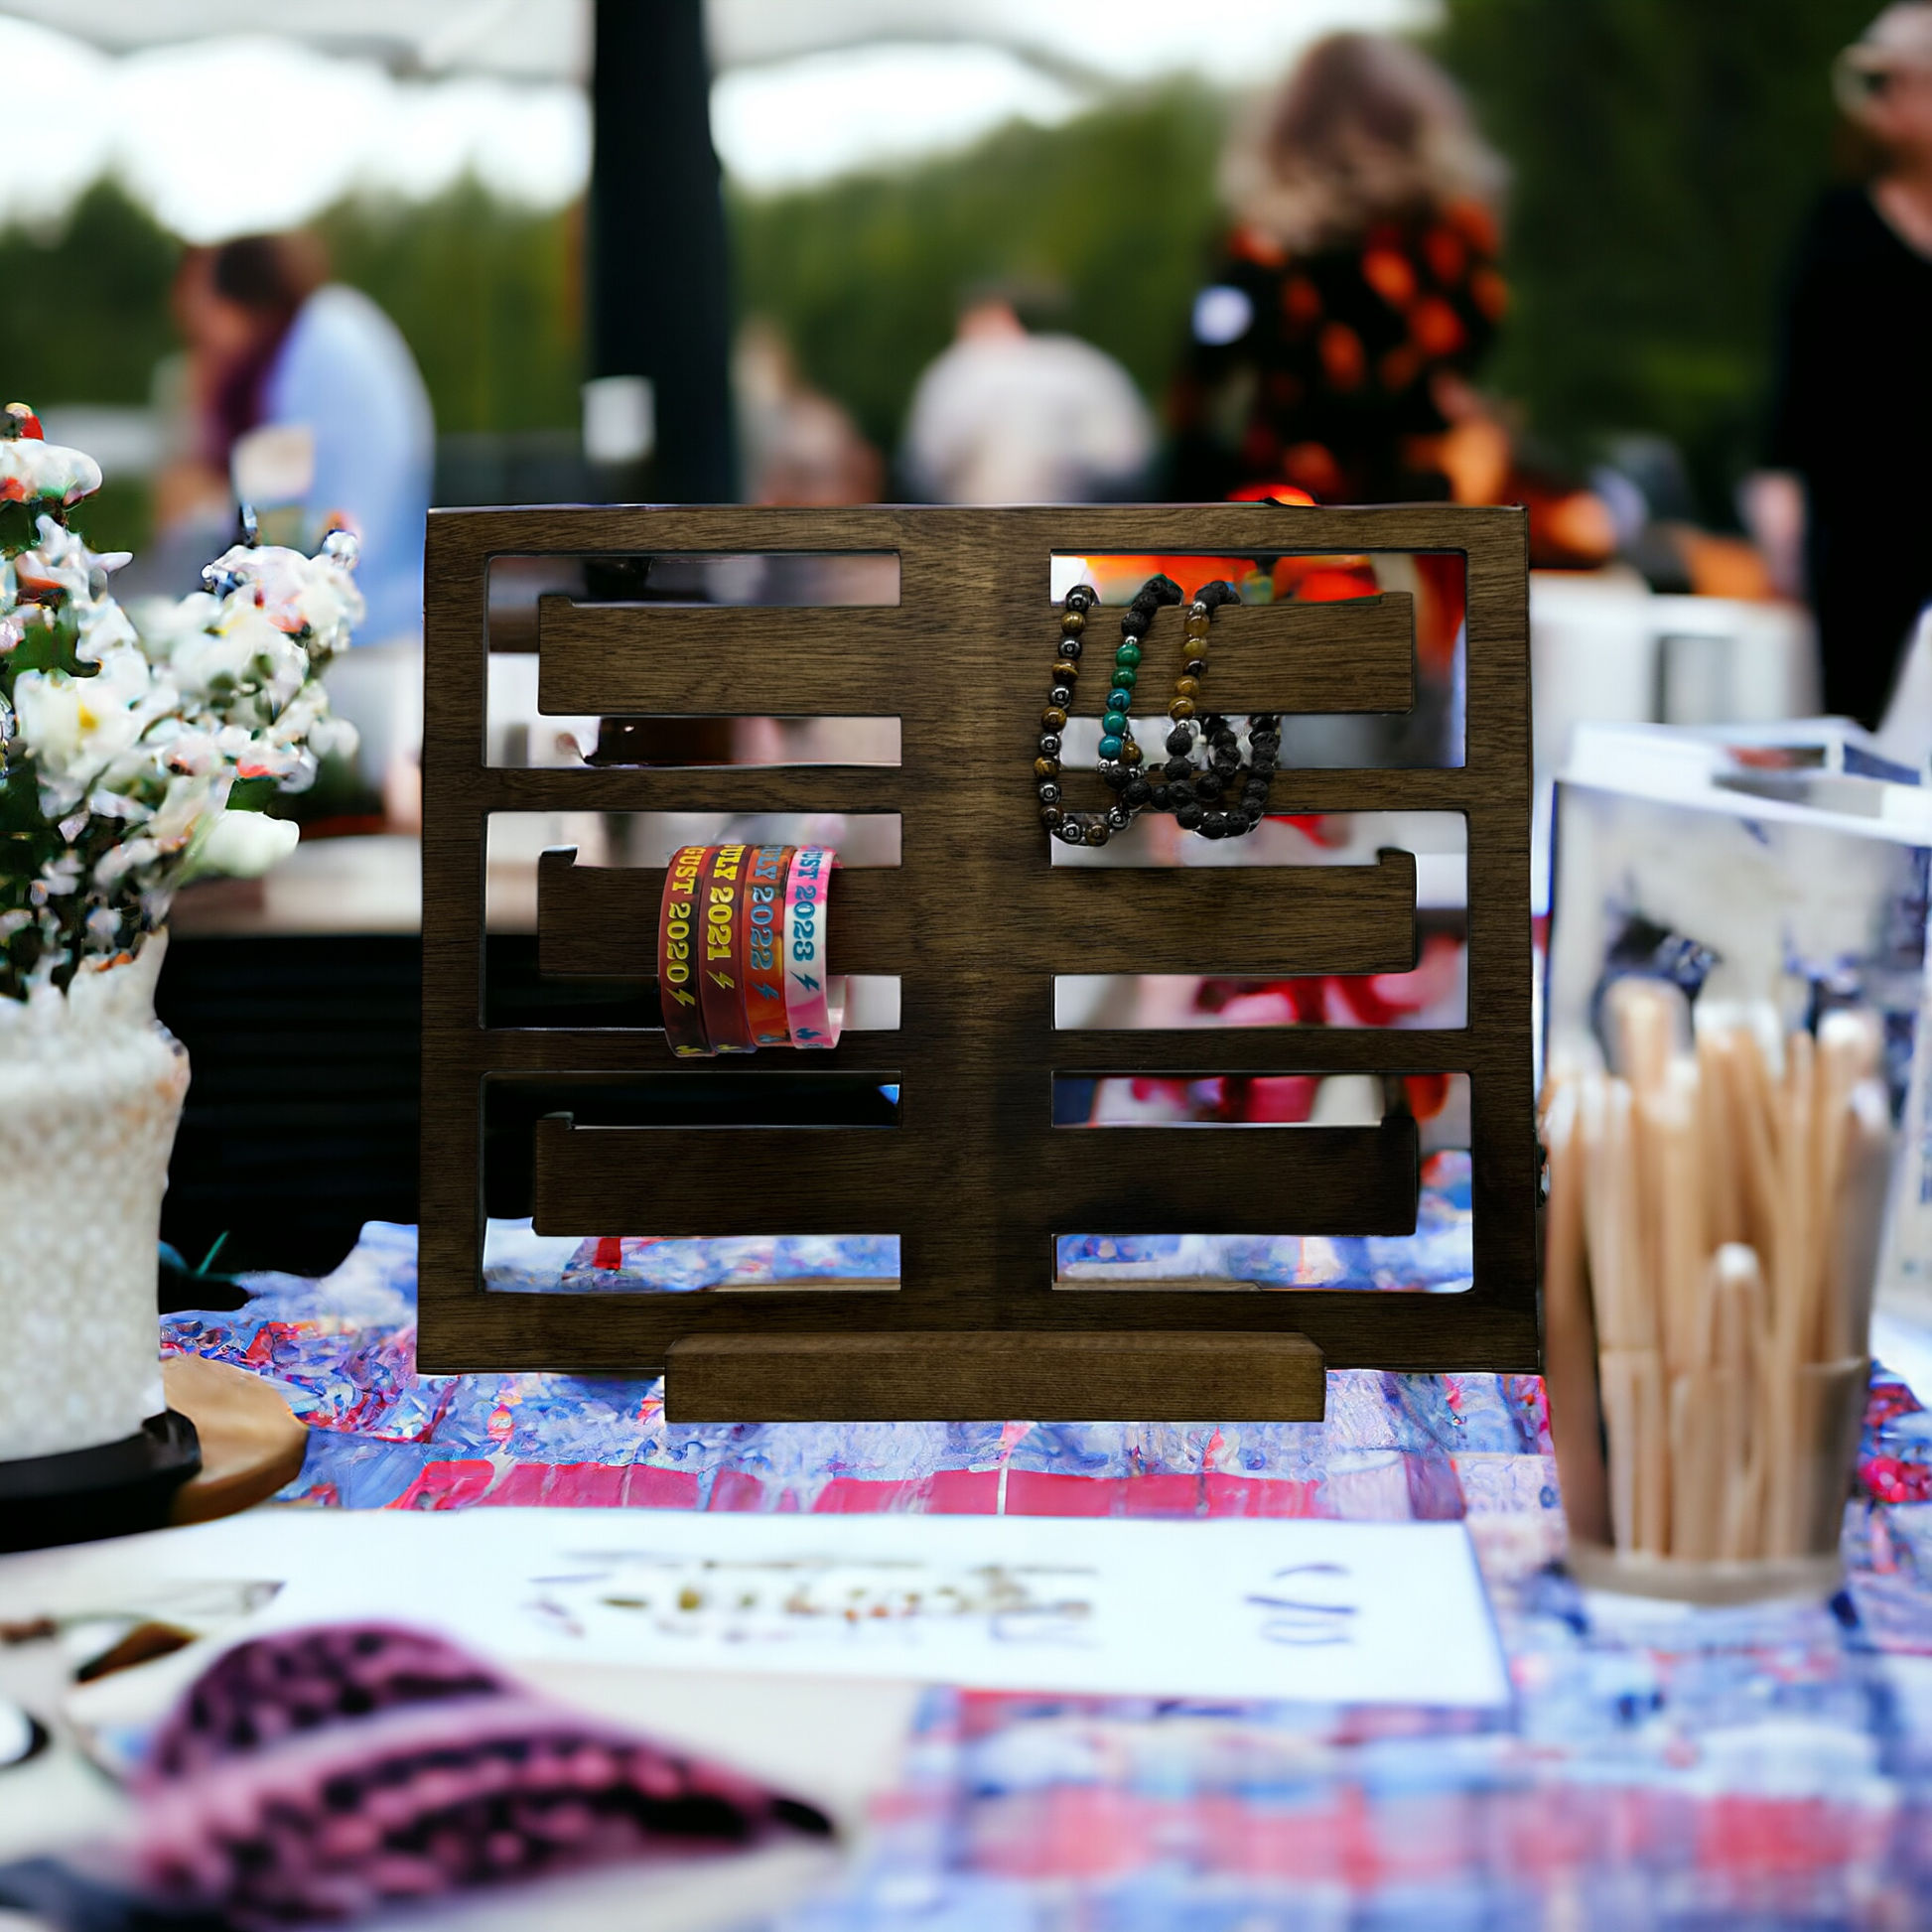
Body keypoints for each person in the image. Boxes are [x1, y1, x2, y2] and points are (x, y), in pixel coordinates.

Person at [1752, 3, 1932, 727]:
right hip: (1863, 529)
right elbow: (1803, 376)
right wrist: (1778, 491)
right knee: (1855, 718)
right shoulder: (1844, 227)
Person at [158, 233, 434, 647]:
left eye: (203, 325)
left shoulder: (310, 359)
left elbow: (276, 528)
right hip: (390, 617)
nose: (203, 347)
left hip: (361, 634)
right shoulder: (332, 327)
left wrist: (194, 516)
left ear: (237, 303)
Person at [900, 294, 1153, 504]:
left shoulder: (959, 369)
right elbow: (1129, 461)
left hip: (980, 536)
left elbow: (925, 467)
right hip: (1075, 538)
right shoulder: (1087, 366)